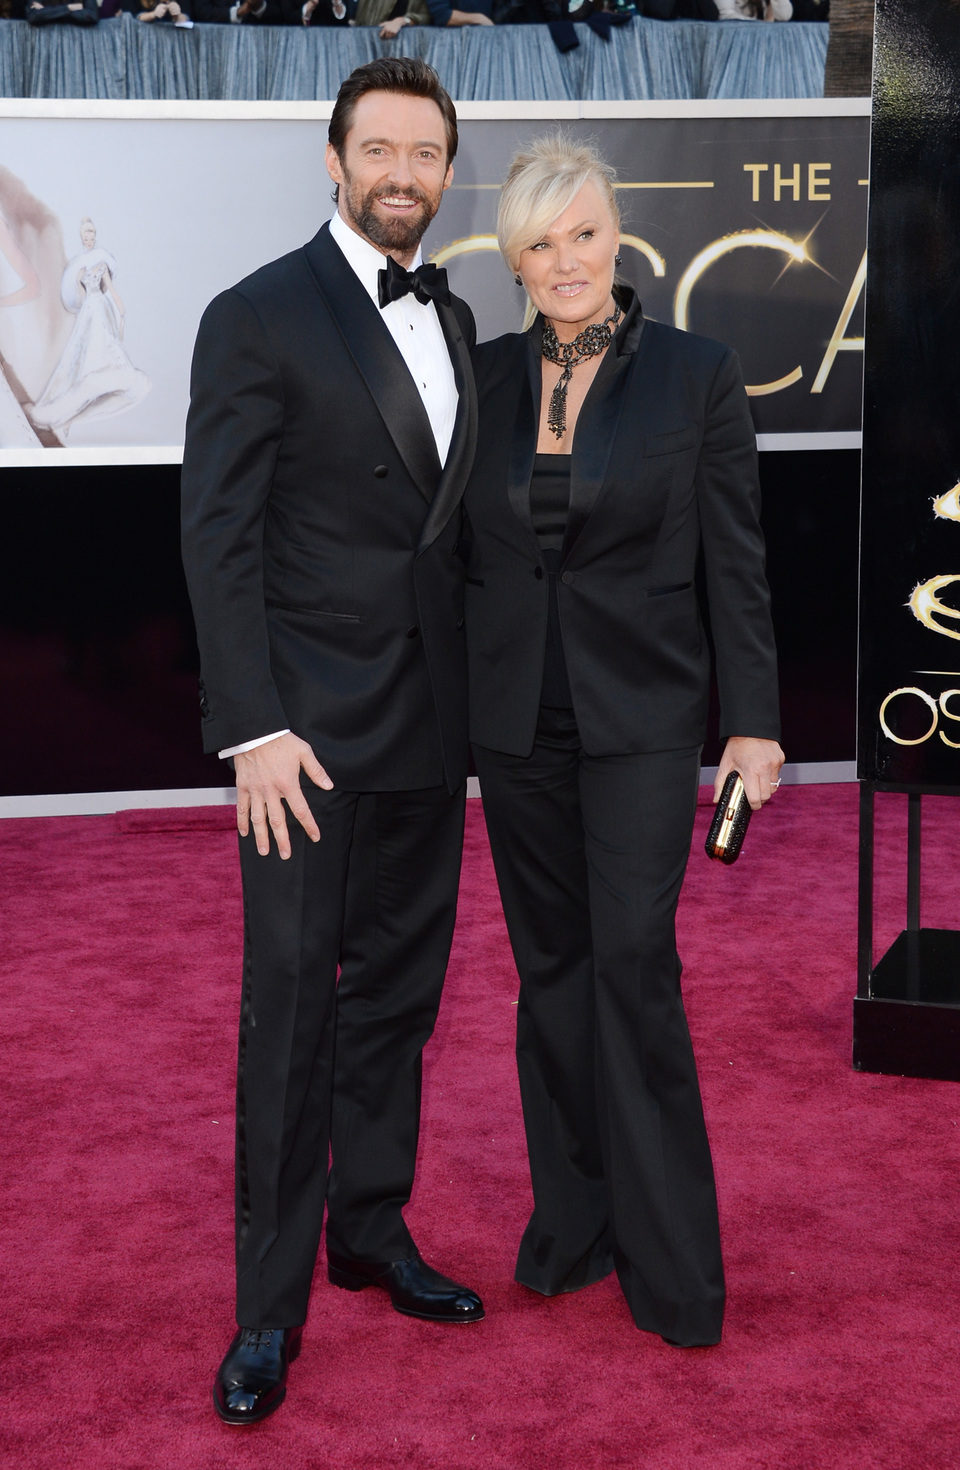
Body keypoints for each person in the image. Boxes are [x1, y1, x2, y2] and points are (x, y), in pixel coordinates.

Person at [180, 57, 482, 1428]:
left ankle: (369, 1225)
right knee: (292, 1013)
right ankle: (266, 1306)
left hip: (428, 727)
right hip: (300, 740)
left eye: (427, 152)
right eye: (382, 150)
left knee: (399, 1002)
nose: (404, 173)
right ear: (334, 158)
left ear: (449, 168)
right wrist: (250, 725)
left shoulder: (460, 311)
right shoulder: (255, 315)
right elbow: (218, 536)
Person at [462, 136, 784, 1349]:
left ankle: (674, 1267)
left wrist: (752, 723)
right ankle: (574, 1222)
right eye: (539, 243)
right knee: (551, 979)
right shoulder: (486, 378)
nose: (566, 261)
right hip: (518, 728)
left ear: (620, 234)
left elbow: (736, 564)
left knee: (633, 970)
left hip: (647, 720)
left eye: (583, 233)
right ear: (516, 258)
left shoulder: (697, 374)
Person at [31, 218, 150, 441]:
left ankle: (102, 380)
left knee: (105, 342)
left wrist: (121, 309)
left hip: (100, 307)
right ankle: (73, 408)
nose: (89, 238)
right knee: (85, 347)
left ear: (94, 236)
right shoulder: (79, 265)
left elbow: (110, 290)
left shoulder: (101, 260)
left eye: (91, 234)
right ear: (82, 237)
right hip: (89, 309)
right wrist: (77, 283)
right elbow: (82, 296)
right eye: (86, 235)